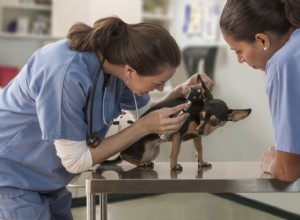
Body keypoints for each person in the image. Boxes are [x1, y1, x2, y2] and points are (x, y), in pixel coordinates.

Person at [0, 16, 213, 219]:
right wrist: (143, 127)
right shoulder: (65, 73)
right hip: (11, 178)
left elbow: (146, 115)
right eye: (158, 83)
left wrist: (177, 93)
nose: (160, 88)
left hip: (46, 178)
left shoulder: (116, 68)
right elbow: (76, 161)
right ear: (131, 70)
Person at [220, 0, 300, 181]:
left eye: (238, 51)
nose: (240, 60)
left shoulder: (283, 63)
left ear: (262, 40)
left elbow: (288, 171)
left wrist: (273, 161)